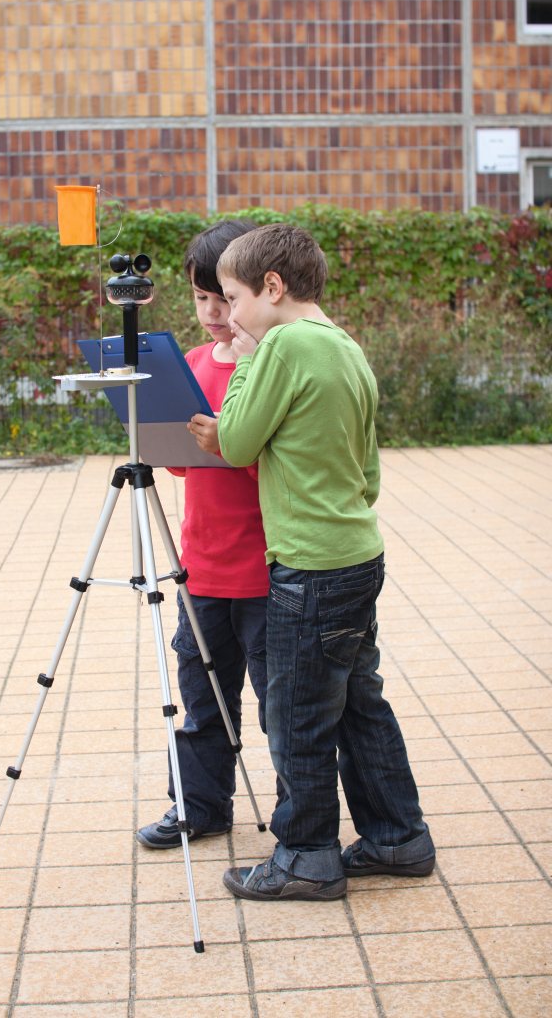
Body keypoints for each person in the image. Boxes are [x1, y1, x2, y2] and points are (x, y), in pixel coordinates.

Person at [215, 223, 436, 901]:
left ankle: (306, 856)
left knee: (298, 714)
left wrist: (244, 356)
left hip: (308, 568)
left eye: (232, 297)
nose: (227, 315)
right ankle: (398, 836)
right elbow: (366, 471)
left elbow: (235, 440)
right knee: (357, 703)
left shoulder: (280, 344)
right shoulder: (346, 347)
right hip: (356, 555)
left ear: (272, 287)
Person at [136, 218, 273, 848]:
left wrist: (228, 439)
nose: (213, 313)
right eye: (200, 298)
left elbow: (264, 459)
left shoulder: (267, 365)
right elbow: (182, 462)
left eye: (223, 298)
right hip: (201, 565)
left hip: (267, 569)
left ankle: (300, 817)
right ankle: (200, 806)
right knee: (201, 697)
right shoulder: (190, 364)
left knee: (281, 707)